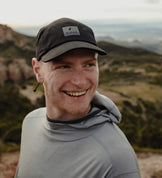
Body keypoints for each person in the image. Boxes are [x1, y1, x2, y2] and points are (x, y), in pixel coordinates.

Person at [15, 18, 141, 178]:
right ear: (38, 70)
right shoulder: (30, 123)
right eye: (64, 66)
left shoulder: (115, 159)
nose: (80, 81)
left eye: (89, 65)